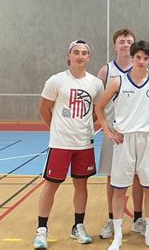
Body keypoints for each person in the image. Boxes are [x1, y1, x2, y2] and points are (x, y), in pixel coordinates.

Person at [95, 41, 149, 250]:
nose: (142, 62)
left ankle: (148, 236)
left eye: (146, 59)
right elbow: (99, 107)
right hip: (124, 140)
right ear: (133, 57)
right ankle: (118, 236)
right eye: (139, 57)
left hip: (147, 140)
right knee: (119, 190)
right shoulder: (117, 82)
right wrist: (108, 131)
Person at [33, 40, 104, 249]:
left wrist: (85, 127)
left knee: (81, 184)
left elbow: (96, 112)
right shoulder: (56, 81)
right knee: (51, 185)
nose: (80, 56)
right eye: (76, 52)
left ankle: (78, 227)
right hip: (60, 143)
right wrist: (55, 129)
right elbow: (45, 109)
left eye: (84, 53)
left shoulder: (95, 84)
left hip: (84, 144)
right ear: (69, 56)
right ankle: (41, 229)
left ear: (88, 57)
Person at [96, 29, 147, 239]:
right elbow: (98, 106)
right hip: (115, 135)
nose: (125, 44)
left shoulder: (141, 70)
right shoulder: (106, 72)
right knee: (112, 177)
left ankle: (137, 219)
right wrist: (106, 130)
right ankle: (111, 218)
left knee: (137, 177)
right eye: (121, 41)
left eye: (129, 41)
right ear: (115, 45)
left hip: (137, 133)